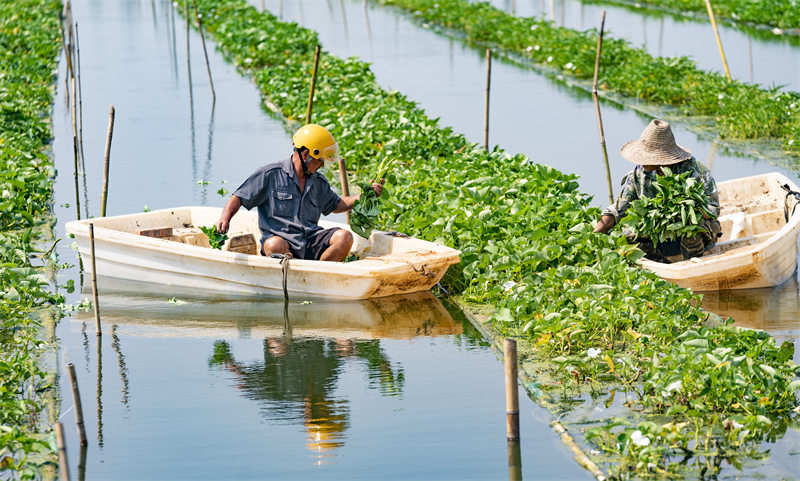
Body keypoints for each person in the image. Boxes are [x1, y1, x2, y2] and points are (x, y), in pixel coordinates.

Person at [214, 124, 383, 262]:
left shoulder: (318, 181)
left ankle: (319, 275)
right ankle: (297, 276)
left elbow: (337, 205)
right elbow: (238, 198)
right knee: (274, 245)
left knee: (344, 237)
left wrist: (364, 196)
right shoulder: (270, 174)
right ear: (306, 154)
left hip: (311, 240)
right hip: (281, 243)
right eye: (319, 160)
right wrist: (225, 218)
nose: (322, 165)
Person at [593, 119, 722, 262]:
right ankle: (662, 263)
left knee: (690, 229)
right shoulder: (639, 174)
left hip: (698, 234)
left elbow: (713, 211)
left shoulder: (694, 171)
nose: (641, 162)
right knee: (627, 236)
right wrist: (594, 234)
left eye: (646, 158)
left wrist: (684, 211)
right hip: (659, 235)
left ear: (660, 160)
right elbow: (618, 210)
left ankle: (692, 264)